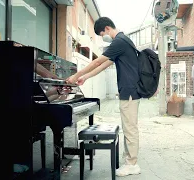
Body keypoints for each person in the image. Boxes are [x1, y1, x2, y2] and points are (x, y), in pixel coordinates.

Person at [66, 17, 141, 177]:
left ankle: (132, 164)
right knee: (129, 126)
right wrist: (85, 78)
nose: (102, 38)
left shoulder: (119, 41)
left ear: (107, 28)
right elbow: (102, 65)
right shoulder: (122, 41)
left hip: (129, 91)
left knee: (130, 128)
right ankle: (129, 160)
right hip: (128, 90)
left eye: (101, 34)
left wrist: (76, 76)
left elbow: (96, 62)